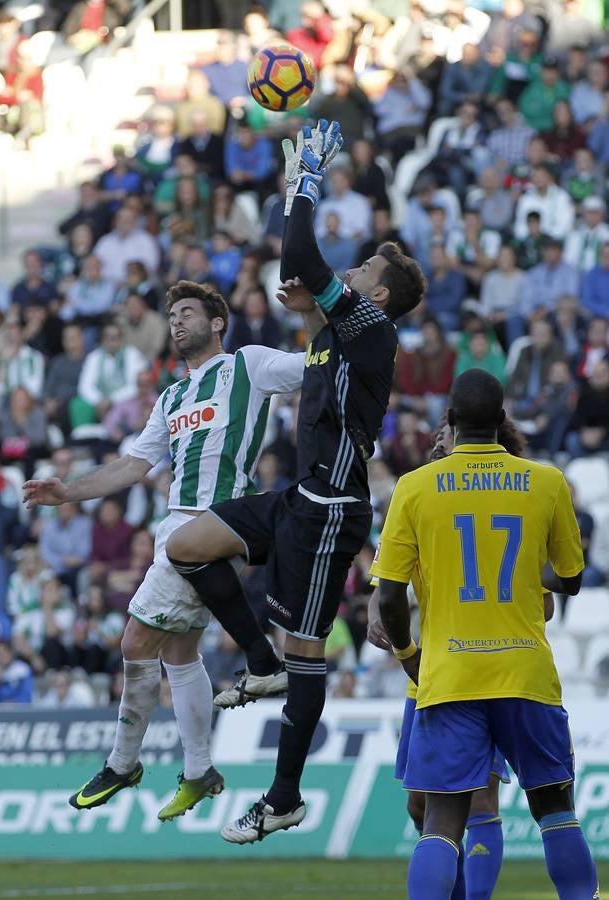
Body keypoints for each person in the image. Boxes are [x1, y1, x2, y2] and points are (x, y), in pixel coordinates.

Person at [163, 120, 426, 843]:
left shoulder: (371, 328)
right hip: (294, 498)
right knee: (185, 546)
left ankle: (283, 796)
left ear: (379, 292)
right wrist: (308, 304)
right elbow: (306, 279)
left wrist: (302, 184)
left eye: (365, 268)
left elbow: (303, 256)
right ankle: (258, 662)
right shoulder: (337, 331)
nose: (355, 272)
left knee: (308, 651)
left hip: (331, 509)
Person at [22, 278, 306, 821]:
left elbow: (312, 366)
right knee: (179, 653)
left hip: (210, 524)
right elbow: (134, 465)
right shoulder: (172, 397)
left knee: (135, 641)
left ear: (217, 322)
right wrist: (70, 491)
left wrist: (327, 313)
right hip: (173, 527)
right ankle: (199, 771)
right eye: (172, 314)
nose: (177, 321)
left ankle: (123, 762)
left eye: (188, 312)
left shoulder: (247, 365)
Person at [374, 368, 598, 900]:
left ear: (448, 420)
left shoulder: (415, 486)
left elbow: (387, 596)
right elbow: (569, 577)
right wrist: (525, 578)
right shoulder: (546, 481)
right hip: (525, 672)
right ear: (501, 420)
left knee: (442, 822)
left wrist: (408, 654)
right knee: (555, 811)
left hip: (450, 674)